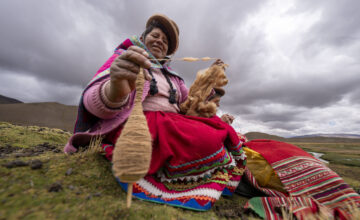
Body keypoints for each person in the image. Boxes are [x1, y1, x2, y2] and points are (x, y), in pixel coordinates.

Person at [64, 14, 246, 211]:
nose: (160, 41)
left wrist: (210, 78)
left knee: (221, 128)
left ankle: (223, 171)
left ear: (167, 51)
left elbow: (189, 106)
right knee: (206, 139)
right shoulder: (125, 60)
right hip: (141, 123)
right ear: (143, 39)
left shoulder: (174, 78)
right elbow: (93, 101)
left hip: (173, 122)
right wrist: (115, 90)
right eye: (155, 35)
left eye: (165, 41)